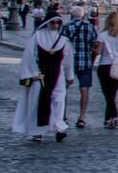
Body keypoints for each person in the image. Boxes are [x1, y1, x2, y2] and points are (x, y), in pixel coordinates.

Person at [12, 12, 77, 144]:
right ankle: (37, 131)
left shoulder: (63, 40)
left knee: (58, 101)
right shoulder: (37, 36)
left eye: (58, 23)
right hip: (40, 76)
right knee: (39, 101)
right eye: (53, 22)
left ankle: (59, 128)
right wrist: (31, 74)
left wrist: (70, 76)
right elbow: (29, 56)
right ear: (47, 23)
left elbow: (68, 60)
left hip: (57, 75)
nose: (55, 25)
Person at [62, 5, 100, 129]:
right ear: (83, 15)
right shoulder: (90, 27)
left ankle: (62, 116)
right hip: (85, 62)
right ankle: (82, 117)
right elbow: (95, 46)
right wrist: (92, 59)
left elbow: (60, 45)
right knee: (84, 90)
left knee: (63, 90)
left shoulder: (66, 27)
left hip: (68, 63)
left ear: (71, 15)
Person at [94, 10, 118, 129]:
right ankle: (107, 119)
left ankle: (114, 117)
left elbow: (98, 51)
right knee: (112, 94)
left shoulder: (102, 35)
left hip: (105, 66)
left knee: (108, 94)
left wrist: (92, 48)